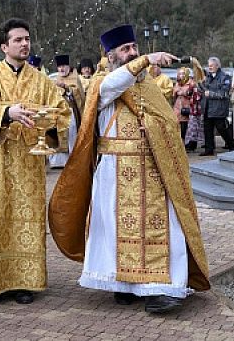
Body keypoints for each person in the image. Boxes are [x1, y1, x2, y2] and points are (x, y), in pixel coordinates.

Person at [49, 24, 210, 314]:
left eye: (134, 48)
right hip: (115, 168)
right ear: (110, 55)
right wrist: (146, 59)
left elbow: (167, 123)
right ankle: (123, 285)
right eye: (125, 49)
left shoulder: (145, 84)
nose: (132, 53)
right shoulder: (103, 80)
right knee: (112, 227)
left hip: (153, 167)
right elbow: (113, 86)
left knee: (162, 226)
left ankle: (159, 288)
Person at [0, 18, 70, 305]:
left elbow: (60, 112)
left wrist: (41, 120)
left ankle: (25, 281)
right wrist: (7, 112)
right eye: (18, 40)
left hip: (28, 161)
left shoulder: (39, 79)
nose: (25, 44)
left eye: (27, 39)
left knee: (26, 219)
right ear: (4, 46)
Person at [49, 54, 85, 169]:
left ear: (68, 66)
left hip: (70, 112)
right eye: (59, 67)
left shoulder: (75, 78)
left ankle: (72, 159)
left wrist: (67, 89)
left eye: (64, 66)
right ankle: (58, 162)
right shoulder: (54, 79)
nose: (61, 69)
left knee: (71, 135)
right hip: (57, 113)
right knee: (57, 135)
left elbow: (80, 96)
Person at [199, 57, 234, 156]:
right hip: (207, 108)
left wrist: (210, 94)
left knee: (221, 128)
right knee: (207, 129)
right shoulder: (207, 77)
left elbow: (224, 93)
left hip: (219, 109)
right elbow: (202, 89)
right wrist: (199, 84)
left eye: (211, 65)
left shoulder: (225, 77)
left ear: (217, 65)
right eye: (209, 65)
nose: (209, 67)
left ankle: (231, 145)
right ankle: (209, 149)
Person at [172, 66, 196, 144]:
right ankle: (179, 143)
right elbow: (174, 95)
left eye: (182, 73)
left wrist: (183, 93)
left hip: (186, 107)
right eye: (179, 73)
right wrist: (176, 92)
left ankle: (188, 143)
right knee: (177, 125)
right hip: (177, 107)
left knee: (185, 126)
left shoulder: (191, 83)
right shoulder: (177, 83)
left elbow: (193, 95)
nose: (180, 75)